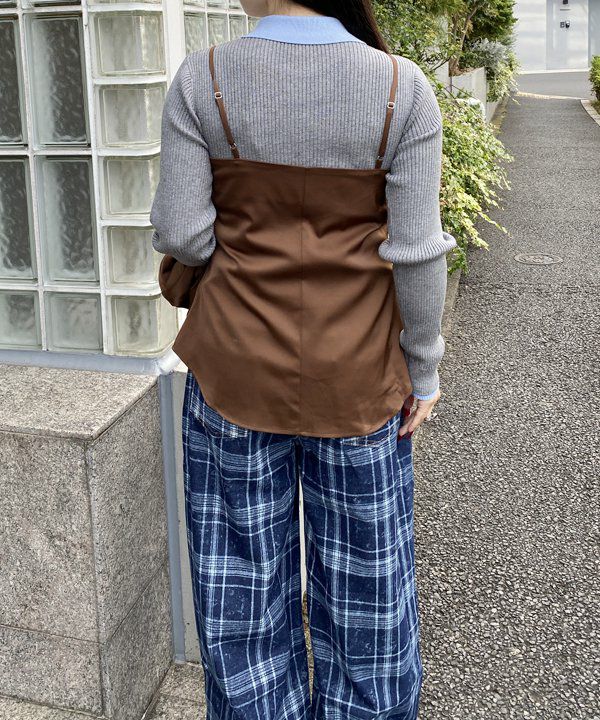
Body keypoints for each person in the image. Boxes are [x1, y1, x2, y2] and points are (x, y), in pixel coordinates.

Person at [150, 1, 457, 717]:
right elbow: (416, 253)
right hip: (361, 379)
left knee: (241, 592)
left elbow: (184, 235)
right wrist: (424, 369)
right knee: (368, 593)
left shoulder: (203, 79)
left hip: (233, 372)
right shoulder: (400, 87)